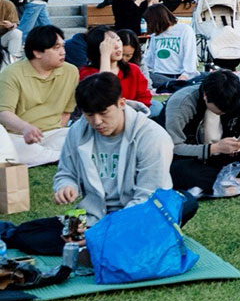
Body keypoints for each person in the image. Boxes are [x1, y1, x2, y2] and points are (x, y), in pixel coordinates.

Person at [52, 71, 179, 227]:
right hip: (93, 216)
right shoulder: (78, 130)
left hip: (136, 218)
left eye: (103, 113)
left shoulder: (153, 137)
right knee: (31, 234)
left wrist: (106, 232)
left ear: (121, 104)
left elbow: (149, 197)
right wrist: (66, 186)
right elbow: (66, 172)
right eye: (89, 114)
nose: (97, 121)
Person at [164, 69, 240, 194]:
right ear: (205, 96)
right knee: (179, 171)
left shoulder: (239, 97)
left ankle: (220, 182)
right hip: (192, 159)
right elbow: (174, 147)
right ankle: (235, 181)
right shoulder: (182, 103)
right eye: (220, 109)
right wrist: (214, 148)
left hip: (226, 158)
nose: (224, 112)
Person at [0, 24, 79, 158]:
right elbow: (4, 113)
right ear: (37, 52)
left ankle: (53, 155)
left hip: (54, 133)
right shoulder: (11, 73)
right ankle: (62, 157)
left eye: (63, 46)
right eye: (56, 48)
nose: (63, 52)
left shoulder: (71, 71)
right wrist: (25, 128)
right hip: (18, 135)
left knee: (78, 136)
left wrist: (55, 131)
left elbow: (67, 112)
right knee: (18, 148)